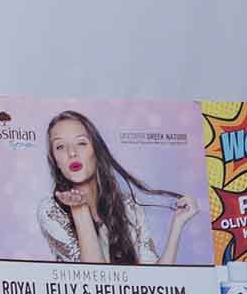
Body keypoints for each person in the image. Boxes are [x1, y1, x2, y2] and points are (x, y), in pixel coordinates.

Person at [36, 110, 195, 265]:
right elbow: (93, 278)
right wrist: (80, 210)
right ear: (55, 160)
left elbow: (154, 278)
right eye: (60, 147)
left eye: (81, 143)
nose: (72, 153)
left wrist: (178, 224)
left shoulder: (128, 206)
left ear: (97, 151)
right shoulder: (51, 210)